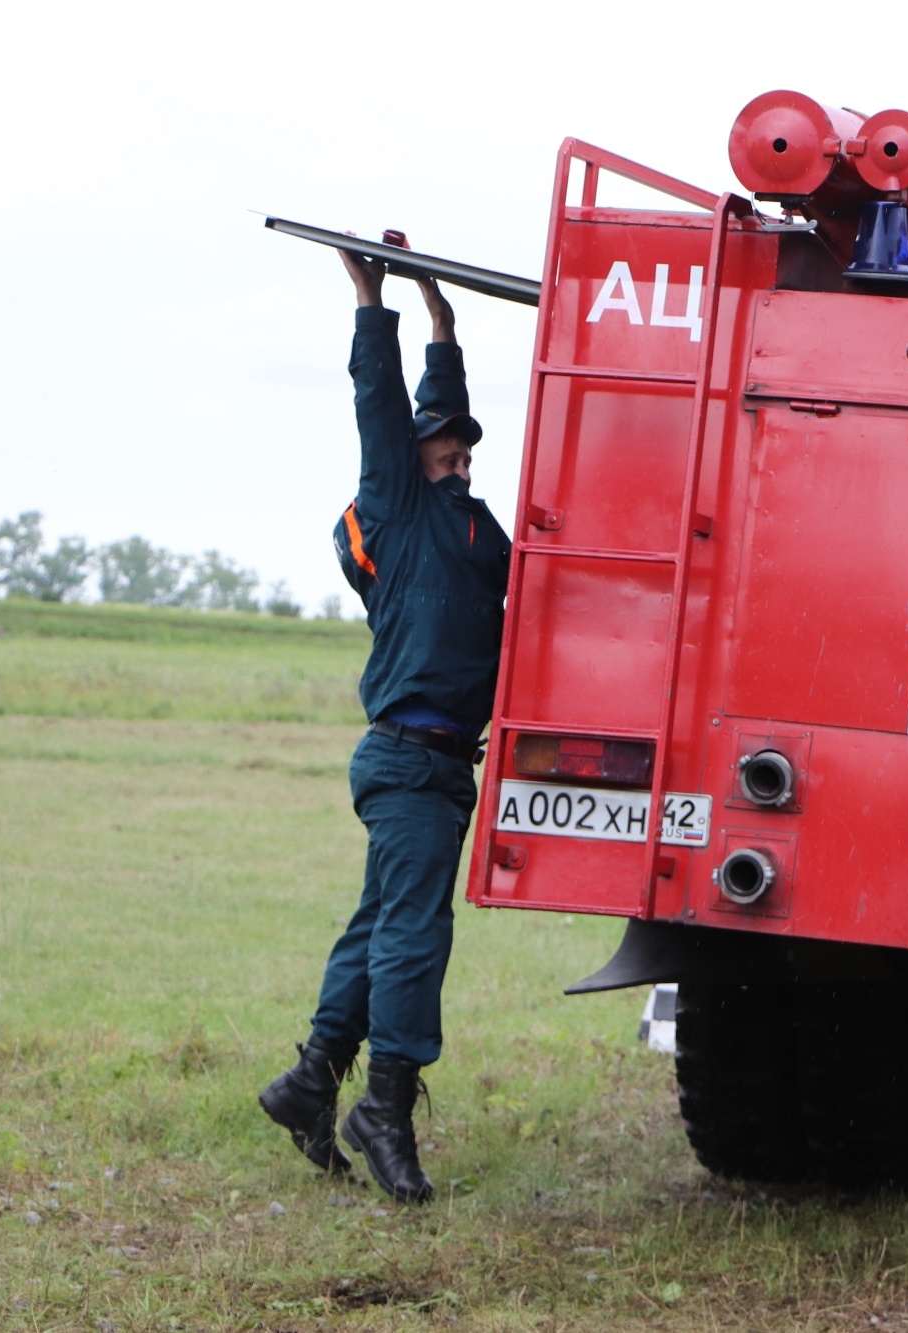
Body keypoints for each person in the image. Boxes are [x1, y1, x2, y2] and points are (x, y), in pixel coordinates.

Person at [258, 248, 511, 1204]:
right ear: (410, 463)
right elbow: (382, 409)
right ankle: (386, 1108)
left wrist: (441, 319)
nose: (460, 453)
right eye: (443, 445)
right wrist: (372, 305)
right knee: (413, 935)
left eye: (464, 446)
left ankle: (312, 1077)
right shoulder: (401, 517)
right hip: (409, 758)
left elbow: (440, 411)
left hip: (441, 768)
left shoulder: (473, 527)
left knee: (381, 925)